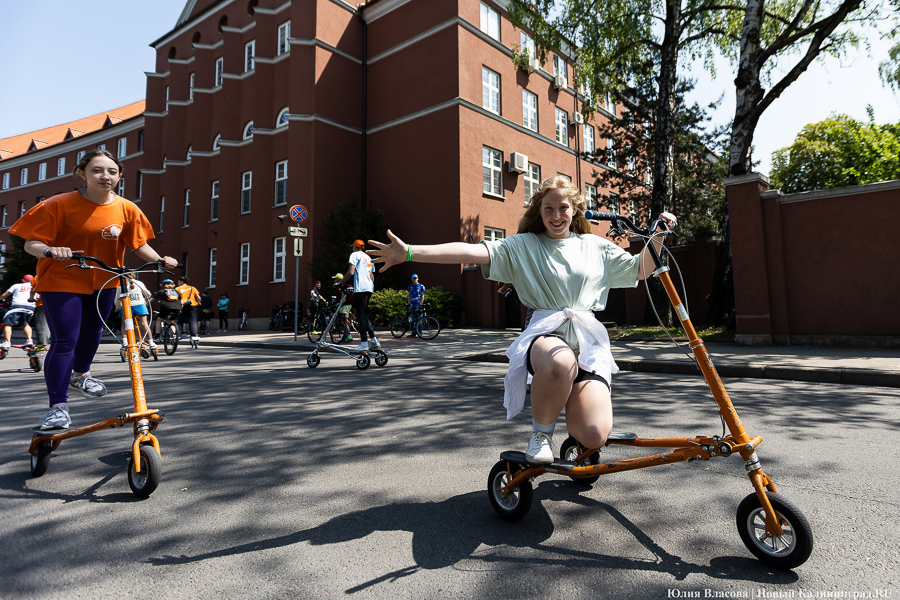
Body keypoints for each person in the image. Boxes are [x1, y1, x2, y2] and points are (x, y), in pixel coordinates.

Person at [368, 176, 676, 464]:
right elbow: (471, 251)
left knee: (594, 435)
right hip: (546, 336)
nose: (556, 216)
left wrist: (659, 234)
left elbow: (640, 268)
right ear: (539, 211)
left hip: (586, 340)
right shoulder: (523, 245)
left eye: (563, 208)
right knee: (560, 362)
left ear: (575, 210)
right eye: (549, 209)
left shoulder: (594, 245)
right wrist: (409, 252)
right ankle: (540, 435)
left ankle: (572, 412)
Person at [8, 148, 177, 430]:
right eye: (97, 170)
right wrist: (51, 249)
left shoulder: (127, 208)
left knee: (93, 333)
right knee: (65, 340)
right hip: (62, 280)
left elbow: (138, 244)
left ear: (120, 176)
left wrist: (160, 260)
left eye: (112, 171)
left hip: (104, 280)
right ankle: (58, 407)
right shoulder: (59, 204)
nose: (105, 176)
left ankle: (80, 375)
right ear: (82, 174)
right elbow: (30, 243)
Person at [341, 239, 380, 351]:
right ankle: (373, 340)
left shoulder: (354, 255)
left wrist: (341, 282)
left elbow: (351, 272)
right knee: (363, 314)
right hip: (369, 288)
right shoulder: (368, 257)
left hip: (360, 289)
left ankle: (364, 343)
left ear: (354, 247)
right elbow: (372, 276)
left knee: (359, 314)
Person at [115, 273, 154, 351]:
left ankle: (125, 343)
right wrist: (145, 298)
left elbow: (117, 298)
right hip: (139, 305)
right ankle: (151, 342)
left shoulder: (120, 285)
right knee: (144, 324)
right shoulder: (139, 283)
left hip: (127, 306)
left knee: (124, 325)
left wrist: (118, 307)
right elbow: (147, 293)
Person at [1, 274, 36, 349]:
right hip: (30, 308)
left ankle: (7, 342)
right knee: (25, 324)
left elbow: (5, 295)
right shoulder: (35, 287)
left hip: (17, 306)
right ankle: (29, 340)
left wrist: (1, 298)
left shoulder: (16, 285)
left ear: (23, 280)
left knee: (8, 324)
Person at [175, 275, 201, 344]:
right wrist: (198, 303)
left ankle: (177, 335)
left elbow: (175, 298)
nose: (177, 283)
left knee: (180, 321)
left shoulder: (177, 289)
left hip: (182, 305)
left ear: (181, 282)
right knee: (192, 321)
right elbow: (198, 297)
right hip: (191, 305)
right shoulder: (192, 288)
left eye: (178, 282)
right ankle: (193, 335)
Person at [331, 272, 353, 344]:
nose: (334, 280)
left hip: (345, 305)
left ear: (338, 279)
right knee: (343, 320)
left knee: (344, 321)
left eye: (335, 278)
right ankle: (345, 336)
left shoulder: (342, 286)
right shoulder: (343, 285)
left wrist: (340, 303)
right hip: (346, 304)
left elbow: (343, 294)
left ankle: (349, 337)